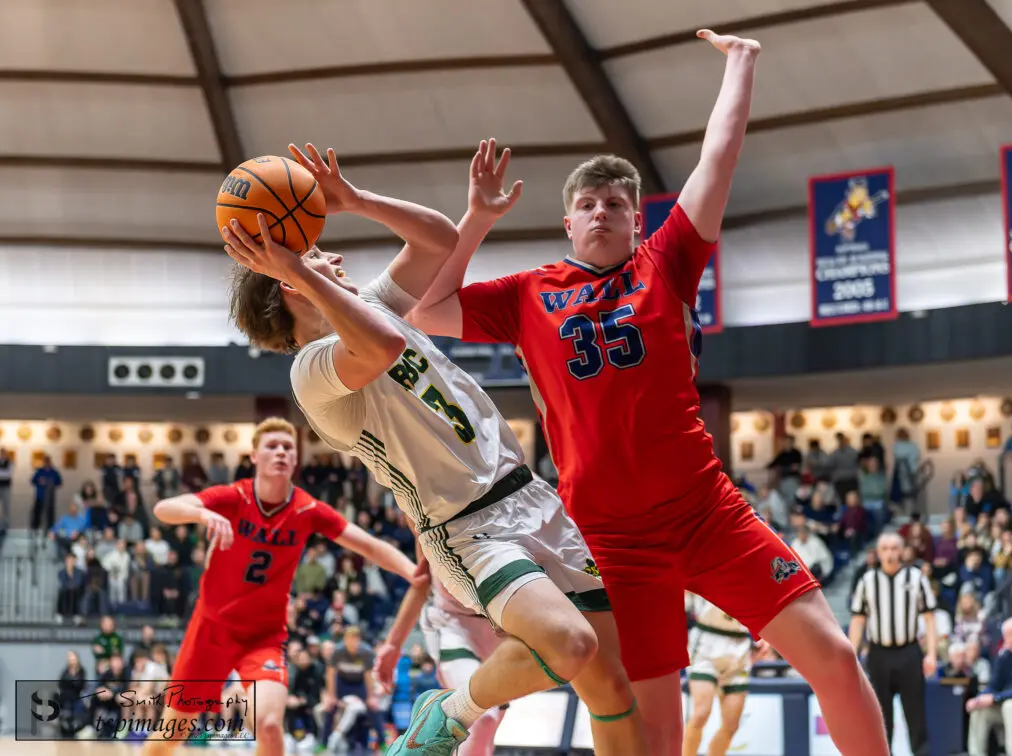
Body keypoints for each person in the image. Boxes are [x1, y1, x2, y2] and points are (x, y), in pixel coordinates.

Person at [403, 30, 887, 756]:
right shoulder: (529, 291)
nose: (601, 213)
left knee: (835, 659)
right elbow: (427, 309)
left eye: (616, 204)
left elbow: (716, 159)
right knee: (654, 730)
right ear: (567, 220)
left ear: (638, 220)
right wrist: (476, 218)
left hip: (704, 511)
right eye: (588, 204)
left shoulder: (666, 263)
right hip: (609, 539)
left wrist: (741, 64)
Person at [221, 142, 648, 756]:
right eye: (316, 258)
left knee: (610, 685)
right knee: (571, 644)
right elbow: (382, 349)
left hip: (530, 495)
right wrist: (298, 269)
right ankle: (449, 711)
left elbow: (440, 241)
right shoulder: (310, 373)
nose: (333, 257)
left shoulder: (365, 307)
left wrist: (355, 200)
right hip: (468, 528)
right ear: (288, 289)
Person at [138, 417, 421, 756]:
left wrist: (412, 572)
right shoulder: (234, 497)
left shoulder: (307, 509)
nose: (281, 452)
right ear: (254, 456)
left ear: (296, 459)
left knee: (270, 725)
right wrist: (202, 515)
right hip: (210, 631)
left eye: (288, 447)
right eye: (272, 446)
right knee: (171, 735)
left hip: (263, 637)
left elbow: (369, 545)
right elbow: (163, 508)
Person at [374, 543, 507, 756]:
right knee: (483, 718)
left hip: (502, 628)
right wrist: (393, 643)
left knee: (488, 732)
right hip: (453, 624)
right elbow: (422, 579)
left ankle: (434, 716)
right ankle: (429, 721)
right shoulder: (430, 511)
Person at [849, 532, 938, 756]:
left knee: (916, 717)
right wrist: (852, 656)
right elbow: (858, 620)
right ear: (878, 553)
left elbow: (929, 618)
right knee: (880, 719)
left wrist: (932, 655)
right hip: (879, 654)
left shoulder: (916, 577)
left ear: (902, 551)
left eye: (894, 548)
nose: (889, 553)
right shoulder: (868, 581)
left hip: (909, 652)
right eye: (885, 548)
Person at [682, 593, 768, 756]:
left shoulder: (754, 572)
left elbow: (766, 605)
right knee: (701, 714)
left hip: (740, 646)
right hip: (706, 642)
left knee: (731, 725)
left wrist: (765, 636)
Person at [966, 616, 1012, 756]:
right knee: (980, 710)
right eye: (1009, 635)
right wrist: (980, 698)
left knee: (1009, 706)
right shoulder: (1004, 656)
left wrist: (996, 698)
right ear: (1004, 638)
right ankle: (976, 753)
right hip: (1005, 701)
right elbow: (994, 684)